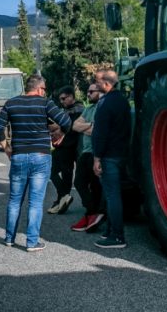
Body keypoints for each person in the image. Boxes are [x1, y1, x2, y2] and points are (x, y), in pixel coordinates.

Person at [0, 75, 71, 252]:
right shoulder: (45, 103)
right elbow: (66, 121)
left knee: (14, 200)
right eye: (44, 90)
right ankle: (31, 242)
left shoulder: (12, 103)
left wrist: (6, 148)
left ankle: (9, 238)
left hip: (19, 156)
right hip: (41, 156)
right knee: (35, 202)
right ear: (40, 89)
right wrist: (60, 133)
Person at [92, 69, 132, 248]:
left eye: (98, 81)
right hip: (121, 153)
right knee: (113, 194)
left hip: (108, 155)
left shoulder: (105, 103)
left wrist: (97, 158)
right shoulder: (123, 101)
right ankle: (110, 230)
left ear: (106, 83)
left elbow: (100, 133)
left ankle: (117, 236)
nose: (96, 84)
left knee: (112, 195)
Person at [70, 83, 105, 233]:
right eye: (88, 91)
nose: (88, 94)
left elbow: (98, 131)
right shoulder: (88, 108)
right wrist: (90, 125)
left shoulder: (102, 108)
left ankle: (92, 214)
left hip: (95, 152)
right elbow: (74, 126)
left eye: (91, 91)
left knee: (94, 185)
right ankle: (92, 213)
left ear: (100, 92)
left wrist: (85, 127)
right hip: (86, 152)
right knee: (80, 182)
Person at [47, 86, 83, 215]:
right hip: (63, 147)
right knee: (54, 171)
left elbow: (68, 126)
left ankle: (62, 199)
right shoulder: (66, 110)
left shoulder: (78, 109)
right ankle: (62, 198)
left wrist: (58, 127)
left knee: (64, 175)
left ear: (72, 96)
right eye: (60, 99)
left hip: (70, 147)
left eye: (64, 98)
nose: (62, 101)